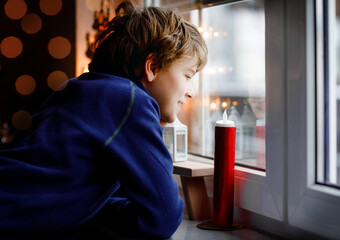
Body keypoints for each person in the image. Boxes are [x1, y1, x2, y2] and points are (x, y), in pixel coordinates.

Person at [0, 1, 207, 239]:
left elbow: (74, 193)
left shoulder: (76, 88)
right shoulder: (131, 101)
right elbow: (163, 217)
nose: (192, 91)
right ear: (152, 66)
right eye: (188, 75)